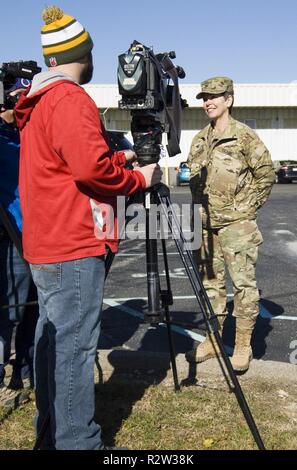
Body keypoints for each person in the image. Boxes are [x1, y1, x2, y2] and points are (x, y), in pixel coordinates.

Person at [14, 5, 162, 450]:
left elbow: (68, 165)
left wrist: (123, 157)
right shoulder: (72, 98)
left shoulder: (39, 100)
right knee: (75, 349)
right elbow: (89, 173)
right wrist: (139, 178)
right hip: (73, 243)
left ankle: (51, 431)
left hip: (45, 241)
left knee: (50, 340)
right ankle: (78, 440)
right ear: (85, 53)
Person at [186, 76, 275, 372]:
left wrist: (246, 209)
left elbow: (266, 175)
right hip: (206, 224)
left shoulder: (244, 137)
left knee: (243, 286)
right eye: (205, 97)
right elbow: (195, 182)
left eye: (214, 96)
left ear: (229, 100)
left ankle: (242, 345)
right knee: (210, 286)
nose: (208, 102)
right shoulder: (200, 140)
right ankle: (213, 339)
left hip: (237, 226)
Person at [0, 78, 38, 406]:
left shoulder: (28, 133)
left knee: (34, 309)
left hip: (38, 234)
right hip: (10, 235)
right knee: (8, 311)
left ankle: (25, 372)